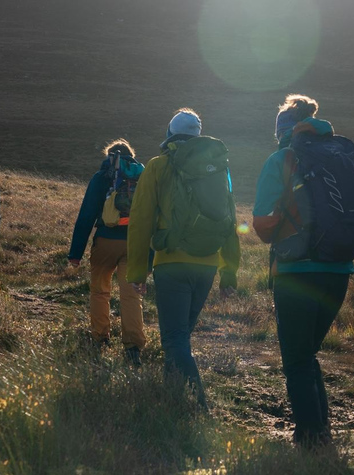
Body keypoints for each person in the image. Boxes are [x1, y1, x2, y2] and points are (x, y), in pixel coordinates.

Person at [253, 94, 354, 449]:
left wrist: (279, 232)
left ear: (283, 130)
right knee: (308, 353)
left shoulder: (282, 158)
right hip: (339, 270)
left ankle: (310, 440)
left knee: (297, 359)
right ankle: (321, 430)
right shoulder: (339, 154)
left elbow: (262, 221)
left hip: (297, 271)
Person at [126, 108, 240, 408]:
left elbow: (140, 220)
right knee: (180, 338)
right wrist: (229, 273)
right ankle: (172, 402)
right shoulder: (219, 169)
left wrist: (138, 270)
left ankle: (198, 405)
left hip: (171, 263)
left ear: (169, 136)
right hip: (208, 264)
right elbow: (230, 221)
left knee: (175, 339)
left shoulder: (158, 166)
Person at [68, 139, 146, 364]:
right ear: (131, 155)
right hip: (134, 243)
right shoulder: (141, 178)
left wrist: (76, 253)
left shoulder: (101, 178)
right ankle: (133, 347)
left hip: (105, 241)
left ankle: (100, 337)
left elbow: (86, 216)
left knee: (100, 291)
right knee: (130, 294)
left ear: (109, 156)